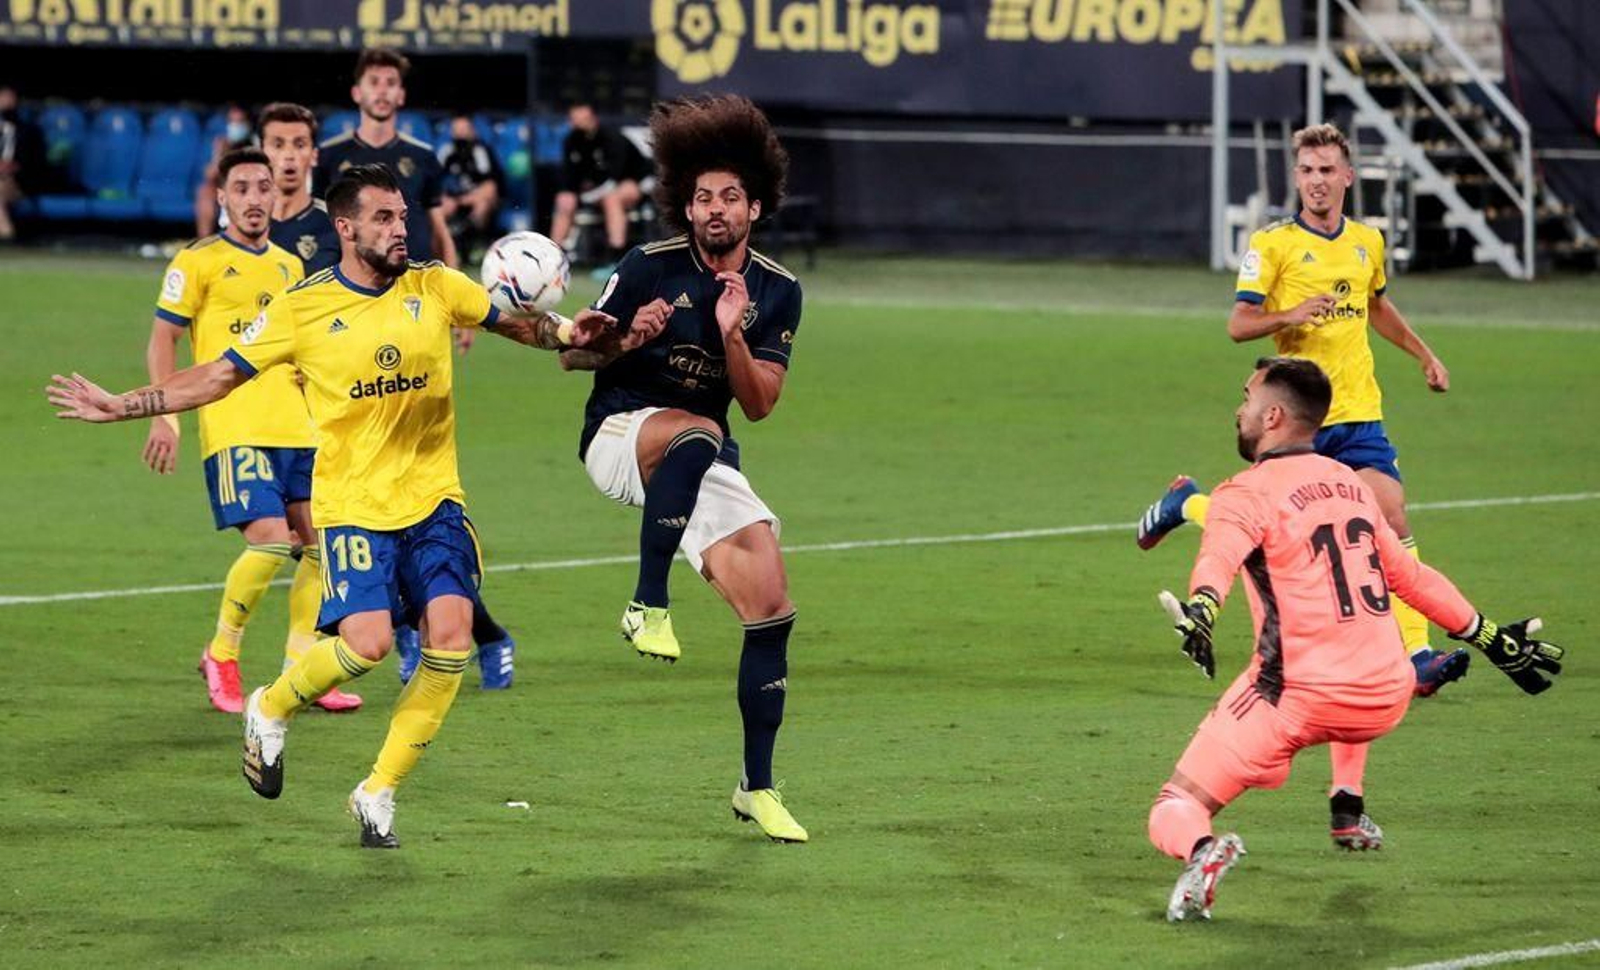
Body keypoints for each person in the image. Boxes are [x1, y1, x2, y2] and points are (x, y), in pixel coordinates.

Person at [48, 164, 645, 847]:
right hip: (354, 509)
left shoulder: (435, 285)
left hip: (434, 502)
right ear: (345, 227)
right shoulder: (302, 310)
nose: (400, 230)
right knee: (366, 646)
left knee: (449, 640)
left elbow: (528, 329)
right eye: (384, 219)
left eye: (402, 217)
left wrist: (576, 334)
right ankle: (270, 707)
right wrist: (127, 404)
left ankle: (378, 792)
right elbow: (216, 375)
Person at [1135, 122, 1469, 846]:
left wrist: (1423, 354)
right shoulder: (1274, 245)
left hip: (1360, 416)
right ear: (1298, 177)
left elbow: (1376, 305)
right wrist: (1291, 314)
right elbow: (1237, 324)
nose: (1317, 179)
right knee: (1314, 533)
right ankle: (1187, 501)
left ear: (1349, 176)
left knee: (1384, 527)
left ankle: (1407, 670)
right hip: (1295, 422)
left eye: (1327, 168)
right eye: (1307, 169)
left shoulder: (1367, 242)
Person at [1150, 357, 1564, 922]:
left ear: (1272, 415)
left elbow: (1218, 557)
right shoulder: (1349, 483)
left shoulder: (1243, 492)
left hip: (1296, 700)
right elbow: (1411, 578)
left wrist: (1201, 609)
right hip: (1385, 695)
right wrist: (1488, 636)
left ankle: (1203, 854)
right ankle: (1347, 804)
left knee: (1175, 803)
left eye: (1245, 399)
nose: (1238, 409)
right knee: (1353, 640)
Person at [562, 94, 808, 842]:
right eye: (702, 197)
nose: (714, 210)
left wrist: (734, 335)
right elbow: (576, 353)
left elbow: (760, 405)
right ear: (686, 204)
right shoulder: (647, 265)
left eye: (729, 197)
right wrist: (623, 337)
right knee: (696, 432)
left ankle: (756, 788)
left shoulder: (776, 291)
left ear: (755, 206)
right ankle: (646, 602)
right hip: (619, 436)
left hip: (697, 455)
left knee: (771, 607)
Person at [143, 146, 360, 715]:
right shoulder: (197, 262)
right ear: (222, 198)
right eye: (241, 188)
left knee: (319, 546)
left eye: (262, 188)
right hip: (234, 422)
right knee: (269, 539)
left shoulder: (291, 266)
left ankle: (302, 668)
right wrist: (168, 417)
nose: (254, 199)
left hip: (298, 425)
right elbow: (162, 339)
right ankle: (222, 653)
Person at [314, 49, 456, 269]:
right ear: (357, 93)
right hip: (350, 286)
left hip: (413, 285)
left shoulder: (423, 156)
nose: (382, 91)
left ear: (401, 95)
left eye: (390, 83)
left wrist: (453, 283)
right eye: (374, 82)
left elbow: (439, 230)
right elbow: (316, 227)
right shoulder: (329, 155)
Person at [548, 101, 652, 277]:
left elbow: (613, 179)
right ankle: (551, 259)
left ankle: (615, 260)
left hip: (634, 182)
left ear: (591, 116)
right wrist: (569, 194)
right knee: (564, 200)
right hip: (596, 191)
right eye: (573, 117)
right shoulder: (571, 140)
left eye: (580, 116)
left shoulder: (612, 138)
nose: (575, 121)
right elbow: (569, 177)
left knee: (612, 198)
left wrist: (586, 196)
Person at [259, 103, 340, 275]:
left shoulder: (337, 224)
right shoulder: (242, 224)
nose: (289, 155)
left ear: (314, 155)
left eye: (300, 145)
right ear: (261, 154)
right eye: (278, 145)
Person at [437, 113, 503, 263]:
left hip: (474, 199)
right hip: (453, 198)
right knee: (438, 208)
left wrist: (463, 200)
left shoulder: (481, 150)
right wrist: (445, 199)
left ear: (472, 130)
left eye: (463, 129)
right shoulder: (447, 151)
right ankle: (444, 249)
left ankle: (474, 245)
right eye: (456, 129)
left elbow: (490, 186)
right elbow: (434, 181)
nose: (460, 133)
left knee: (483, 203)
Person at [194, 103, 255, 239]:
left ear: (248, 124)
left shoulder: (256, 143)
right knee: (205, 190)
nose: (234, 126)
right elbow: (210, 175)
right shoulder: (223, 144)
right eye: (231, 122)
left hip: (252, 192)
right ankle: (204, 243)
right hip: (228, 191)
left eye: (239, 122)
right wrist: (221, 154)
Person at [0, 85, 45, 242]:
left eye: (8, 97)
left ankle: (7, 239)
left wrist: (12, 167)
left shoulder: (29, 130)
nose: (4, 101)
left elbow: (35, 163)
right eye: (1, 97)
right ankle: (6, 236)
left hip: (20, 183)